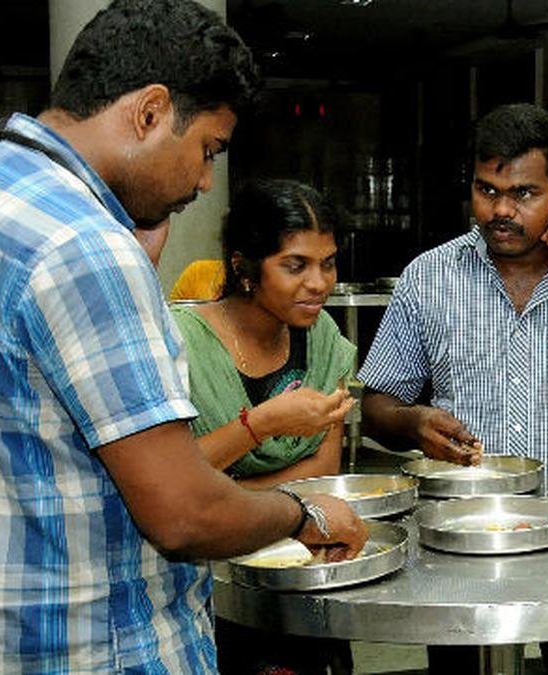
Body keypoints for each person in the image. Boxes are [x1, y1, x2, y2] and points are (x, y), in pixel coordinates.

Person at [0, 2, 368, 672]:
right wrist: (303, 512)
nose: (203, 180)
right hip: (82, 645)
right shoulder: (85, 245)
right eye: (206, 149)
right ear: (149, 111)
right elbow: (184, 514)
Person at [358, 102, 548, 673]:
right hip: (462, 540)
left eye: (523, 193)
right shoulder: (430, 275)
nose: (500, 210)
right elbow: (376, 406)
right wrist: (413, 422)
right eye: (486, 190)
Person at [171, 179, 356, 674]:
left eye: (328, 262)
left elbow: (324, 469)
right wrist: (262, 425)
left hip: (304, 568)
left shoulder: (323, 338)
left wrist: (229, 493)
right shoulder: (180, 344)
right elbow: (173, 485)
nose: (318, 283)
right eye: (295, 265)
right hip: (206, 584)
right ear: (244, 266)